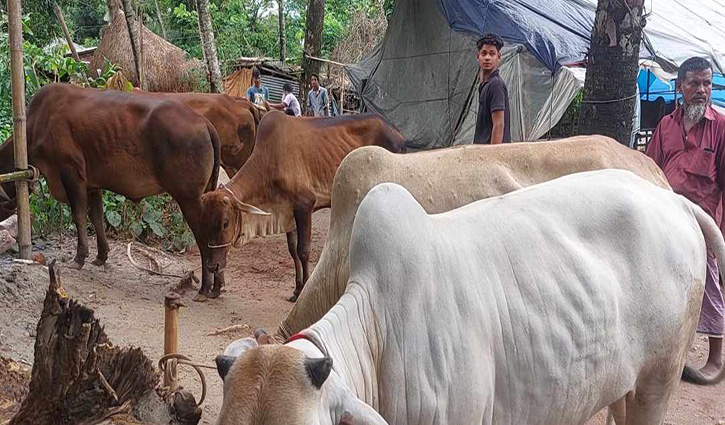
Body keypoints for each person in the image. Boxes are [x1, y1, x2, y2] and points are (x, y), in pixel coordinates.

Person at [646, 56, 725, 383]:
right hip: (667, 218)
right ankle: (665, 352)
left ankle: (717, 360)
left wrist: (719, 232)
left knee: (709, 286)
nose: (701, 90)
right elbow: (650, 169)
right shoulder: (666, 126)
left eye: (707, 83)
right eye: (694, 83)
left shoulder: (721, 127)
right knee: (662, 282)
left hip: (703, 223)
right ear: (679, 87)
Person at [473, 33, 511, 145]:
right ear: (478, 56)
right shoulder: (484, 85)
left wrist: (493, 156)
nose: (487, 58)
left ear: (498, 57)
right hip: (482, 151)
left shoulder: (495, 85)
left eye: (492, 54)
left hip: (491, 155)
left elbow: (499, 124)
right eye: (484, 53)